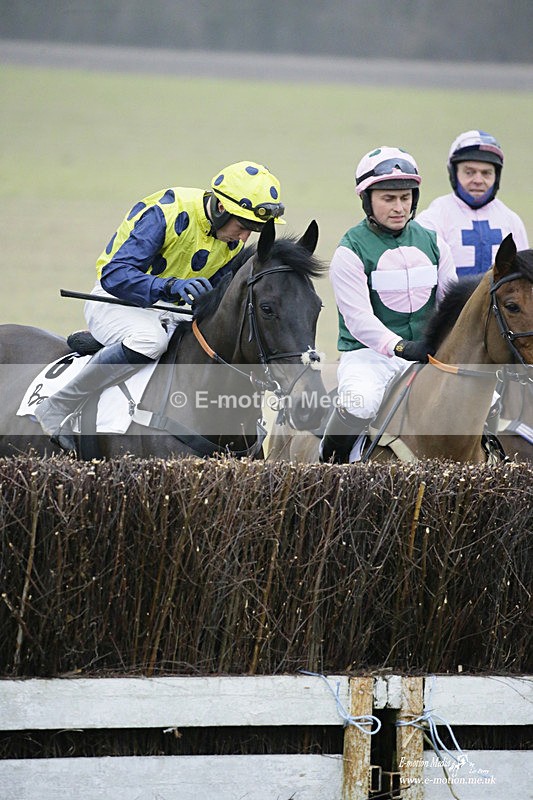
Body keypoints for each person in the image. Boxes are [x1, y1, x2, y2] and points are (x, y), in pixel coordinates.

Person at [35, 160, 285, 452]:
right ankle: (58, 405)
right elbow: (115, 275)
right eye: (242, 227)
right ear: (221, 208)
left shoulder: (231, 239)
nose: (244, 238)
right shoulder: (166, 213)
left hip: (169, 310)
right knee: (150, 340)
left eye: (252, 231)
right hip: (117, 300)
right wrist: (170, 286)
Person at [320, 146, 457, 463]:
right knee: (360, 403)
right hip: (368, 356)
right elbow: (358, 319)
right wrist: (400, 347)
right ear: (367, 200)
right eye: (388, 198)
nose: (399, 207)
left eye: (405, 198)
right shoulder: (349, 250)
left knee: (488, 398)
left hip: (428, 352)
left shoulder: (434, 242)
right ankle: (330, 467)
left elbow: (449, 305)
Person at [416, 130, 529, 277]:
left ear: (496, 176)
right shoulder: (432, 220)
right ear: (453, 173)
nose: (478, 180)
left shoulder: (511, 221)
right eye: (469, 172)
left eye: (486, 173)